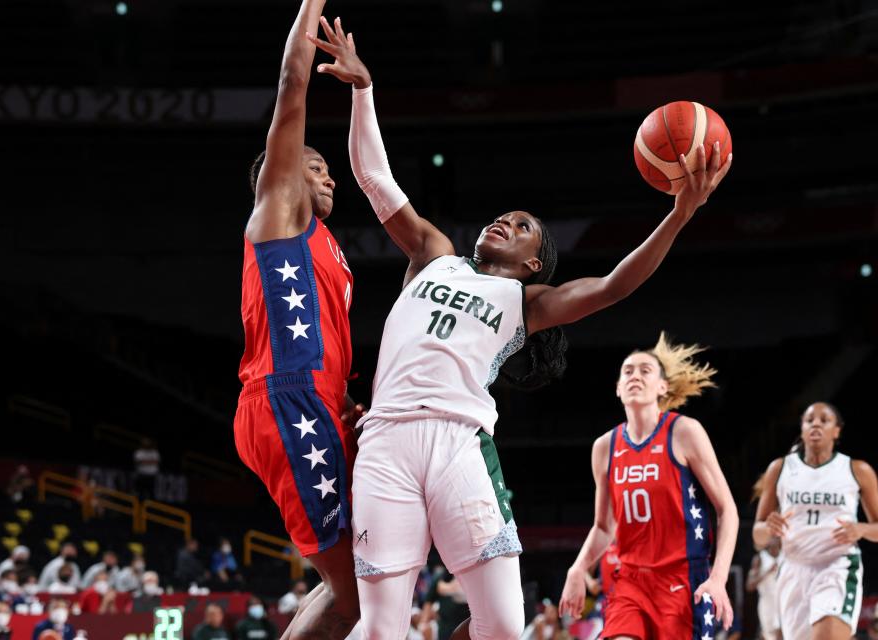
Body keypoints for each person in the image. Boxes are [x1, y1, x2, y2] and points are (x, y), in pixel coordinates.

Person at [306, 17, 732, 639]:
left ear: (534, 262)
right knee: (378, 630)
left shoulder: (524, 301)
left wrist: (678, 216)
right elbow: (375, 179)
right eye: (504, 216)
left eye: (523, 225)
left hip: (458, 443)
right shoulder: (433, 252)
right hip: (386, 440)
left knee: (505, 626)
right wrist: (362, 90)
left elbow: (612, 285)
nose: (506, 220)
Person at [232, 1, 362, 638]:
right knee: (359, 592)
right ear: (283, 175)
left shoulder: (329, 248)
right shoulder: (281, 209)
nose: (327, 175)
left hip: (318, 404)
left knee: (357, 581)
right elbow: (292, 87)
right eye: (316, 166)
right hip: (288, 401)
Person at [558, 334, 739, 639]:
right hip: (630, 582)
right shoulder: (605, 446)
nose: (635, 376)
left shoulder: (684, 432)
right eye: (627, 371)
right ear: (617, 388)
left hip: (682, 581)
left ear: (662, 387)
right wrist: (577, 568)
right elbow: (604, 527)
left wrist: (718, 577)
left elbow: (728, 510)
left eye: (645, 370)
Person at [753, 402, 878, 640]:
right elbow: (757, 535)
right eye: (809, 420)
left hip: (836, 565)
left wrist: (861, 528)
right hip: (793, 568)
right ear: (802, 428)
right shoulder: (780, 468)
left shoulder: (856, 469)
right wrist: (768, 527)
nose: (815, 423)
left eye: (824, 420)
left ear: (836, 431)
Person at [745, 540, 782, 640]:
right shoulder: (760, 558)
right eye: (771, 537)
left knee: (783, 633)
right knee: (768, 635)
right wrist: (767, 572)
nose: (774, 538)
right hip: (767, 603)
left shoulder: (787, 556)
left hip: (783, 600)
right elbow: (749, 585)